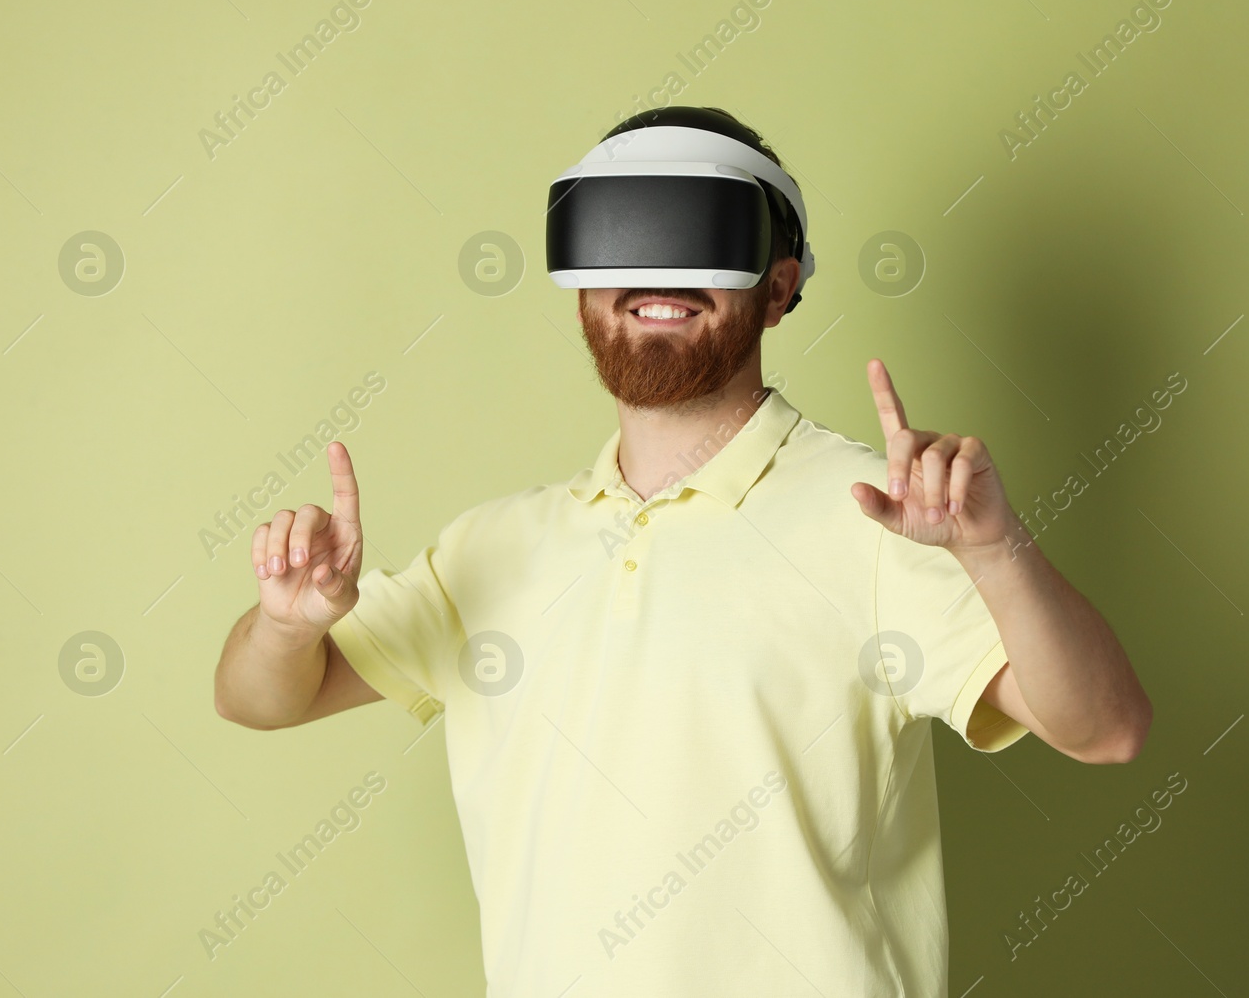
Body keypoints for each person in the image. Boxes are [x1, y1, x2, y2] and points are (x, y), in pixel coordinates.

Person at [213, 107, 1152, 996]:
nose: (656, 276)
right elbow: (257, 698)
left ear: (779, 283)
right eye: (623, 233)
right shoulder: (490, 548)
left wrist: (996, 552)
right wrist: (288, 626)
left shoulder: (880, 517)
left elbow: (1105, 728)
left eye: (700, 235)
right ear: (579, 280)